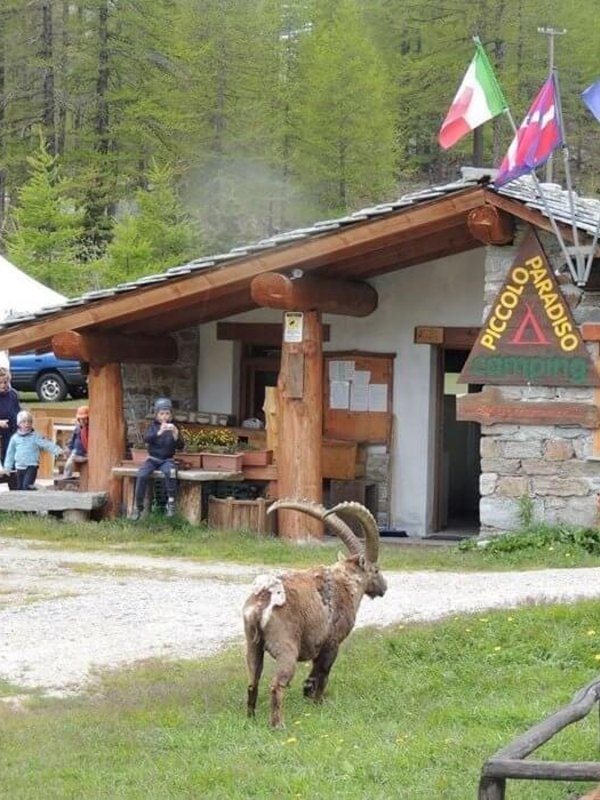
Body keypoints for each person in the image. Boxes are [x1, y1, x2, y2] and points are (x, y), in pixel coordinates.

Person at [129, 397, 183, 520]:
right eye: (161, 413)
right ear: (156, 414)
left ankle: (171, 503)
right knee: (142, 475)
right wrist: (159, 432)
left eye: (167, 413)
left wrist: (176, 434)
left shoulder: (174, 427)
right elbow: (147, 439)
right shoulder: (153, 426)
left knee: (171, 473)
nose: (164, 416)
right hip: (153, 459)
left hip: (167, 460)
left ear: (171, 415)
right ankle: (138, 507)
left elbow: (181, 446)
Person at [3, 410, 64, 491]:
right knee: (20, 488)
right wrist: (7, 468)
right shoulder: (15, 438)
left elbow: (46, 444)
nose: (27, 424)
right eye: (24, 422)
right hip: (19, 466)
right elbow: (10, 454)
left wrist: (58, 451)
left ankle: (35, 492)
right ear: (19, 424)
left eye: (29, 422)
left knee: (26, 486)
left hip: (31, 466)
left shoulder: (35, 436)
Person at [0, 366, 20, 490]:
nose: (3, 385)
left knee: (12, 462)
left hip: (11, 433)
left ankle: (15, 492)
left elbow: (17, 411)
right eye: (0, 382)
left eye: (5, 382)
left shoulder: (13, 394)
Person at [63, 405, 89, 479]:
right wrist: (68, 448)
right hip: (76, 453)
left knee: (73, 457)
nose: (82, 421)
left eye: (84, 419)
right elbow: (72, 440)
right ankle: (66, 477)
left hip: (85, 454)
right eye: (80, 419)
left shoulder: (90, 429)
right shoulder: (77, 429)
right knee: (68, 464)